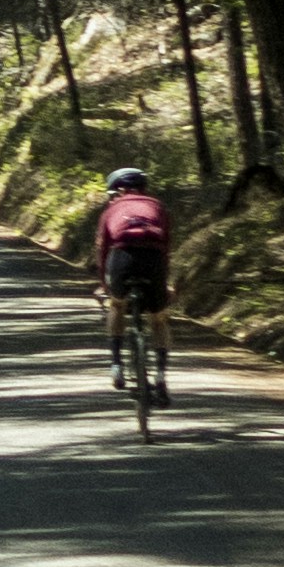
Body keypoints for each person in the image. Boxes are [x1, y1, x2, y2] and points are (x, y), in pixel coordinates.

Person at [91, 159, 173, 394]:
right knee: (158, 318)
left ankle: (116, 364)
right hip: (153, 260)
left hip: (121, 258)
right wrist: (164, 282)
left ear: (118, 190)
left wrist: (103, 285)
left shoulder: (111, 210)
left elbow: (103, 249)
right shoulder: (158, 206)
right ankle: (160, 374)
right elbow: (165, 247)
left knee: (117, 305)